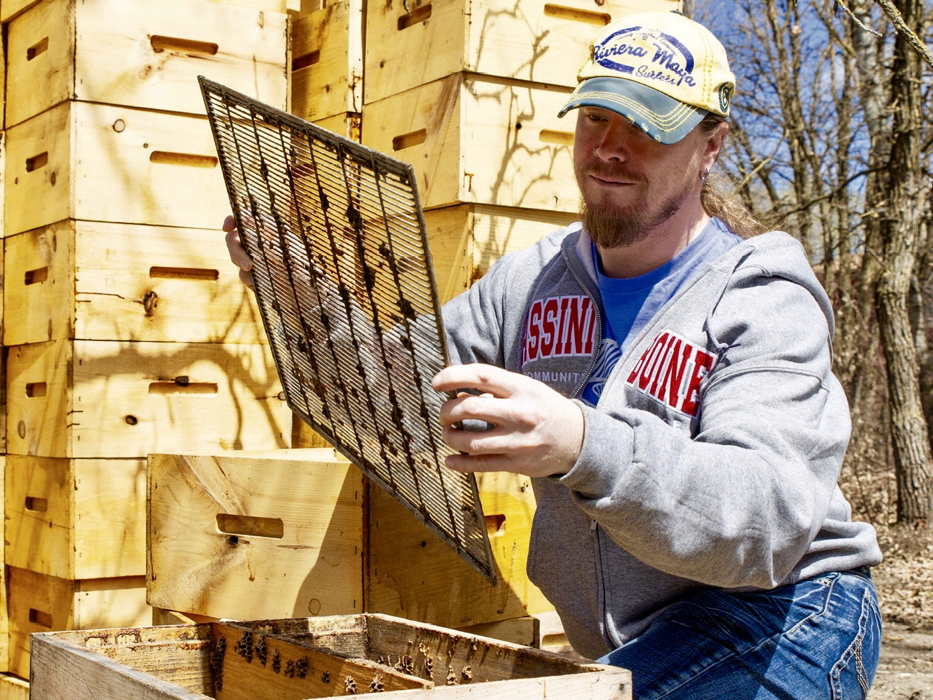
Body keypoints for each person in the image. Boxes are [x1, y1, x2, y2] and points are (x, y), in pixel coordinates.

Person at [226, 11, 883, 698]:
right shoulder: (531, 281)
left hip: (790, 611)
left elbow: (767, 521)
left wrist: (581, 442)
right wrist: (302, 295)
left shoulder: (762, 295)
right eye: (596, 118)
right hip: (644, 642)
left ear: (711, 144)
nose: (609, 149)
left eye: (647, 127)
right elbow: (401, 390)